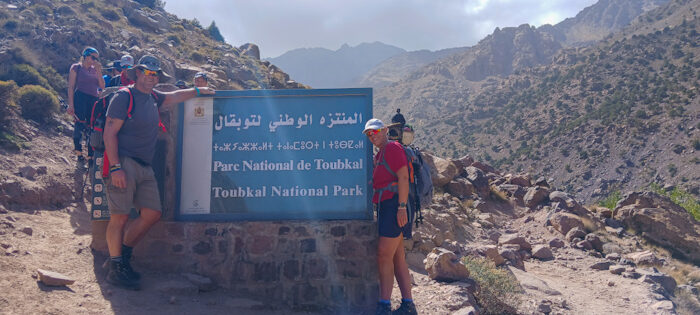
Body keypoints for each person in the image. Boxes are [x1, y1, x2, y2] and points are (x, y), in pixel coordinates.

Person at [103, 55, 215, 290]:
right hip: (123, 162)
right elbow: (109, 133)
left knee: (152, 213)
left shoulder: (153, 98)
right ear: (137, 73)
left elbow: (174, 97)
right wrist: (115, 167)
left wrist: (198, 90)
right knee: (120, 217)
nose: (150, 77)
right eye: (146, 73)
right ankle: (116, 269)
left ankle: (120, 257)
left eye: (154, 74)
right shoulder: (125, 97)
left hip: (145, 165)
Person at [364, 118, 417, 315]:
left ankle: (384, 304)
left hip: (395, 205)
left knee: (383, 254)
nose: (372, 136)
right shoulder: (381, 154)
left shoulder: (393, 149)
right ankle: (408, 303)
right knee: (397, 256)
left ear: (385, 130)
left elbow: (403, 177)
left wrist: (402, 207)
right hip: (388, 206)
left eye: (375, 132)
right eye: (369, 134)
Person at [67, 47, 105, 164]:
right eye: (93, 57)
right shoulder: (76, 67)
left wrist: (99, 72)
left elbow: (102, 86)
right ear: (85, 56)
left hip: (93, 99)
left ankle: (90, 154)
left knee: (91, 126)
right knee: (79, 123)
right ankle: (78, 152)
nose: (94, 60)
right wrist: (71, 105)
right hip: (80, 97)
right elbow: (71, 87)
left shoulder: (95, 70)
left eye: (96, 59)